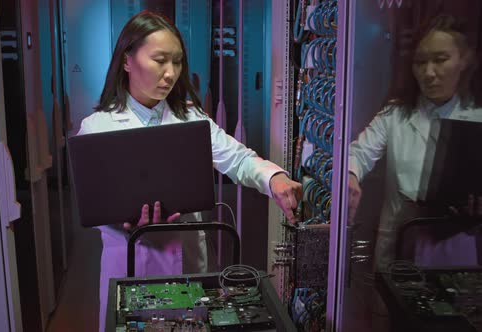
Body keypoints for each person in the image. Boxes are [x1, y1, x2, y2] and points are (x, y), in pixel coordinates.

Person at [75, 11, 302, 331]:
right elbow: (95, 203)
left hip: (190, 265)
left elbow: (236, 159)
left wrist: (273, 178)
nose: (170, 73)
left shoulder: (191, 118)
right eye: (159, 60)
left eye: (177, 62)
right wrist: (127, 223)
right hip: (130, 264)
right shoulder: (97, 127)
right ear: (127, 61)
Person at [348, 14, 481, 331]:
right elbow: (358, 152)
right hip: (399, 239)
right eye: (421, 62)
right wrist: (350, 177)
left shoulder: (477, 117)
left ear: (464, 60)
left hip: (457, 248)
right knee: (391, 318)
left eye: (441, 60)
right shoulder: (396, 113)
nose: (429, 73)